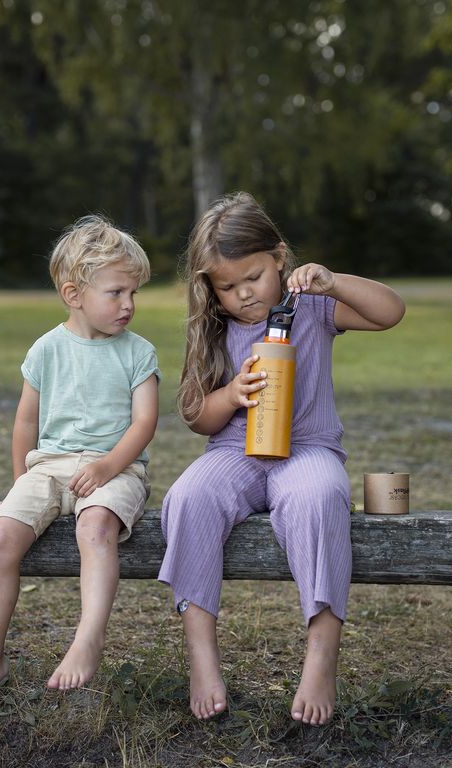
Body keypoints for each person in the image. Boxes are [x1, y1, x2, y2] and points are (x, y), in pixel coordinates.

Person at [158, 192, 405, 725]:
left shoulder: (312, 308)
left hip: (307, 449)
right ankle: (202, 656)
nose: (244, 295)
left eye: (253, 277)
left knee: (322, 497)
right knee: (187, 497)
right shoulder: (215, 327)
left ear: (280, 258)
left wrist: (332, 280)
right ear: (209, 288)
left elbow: (391, 313)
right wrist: (230, 395)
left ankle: (321, 656)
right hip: (234, 452)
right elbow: (196, 415)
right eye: (227, 286)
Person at [0, 215, 160, 724]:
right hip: (48, 468)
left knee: (95, 526)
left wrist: (109, 464)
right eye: (116, 293)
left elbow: (144, 424)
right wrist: (16, 491)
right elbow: (25, 422)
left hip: (117, 470)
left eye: (133, 293)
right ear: (74, 293)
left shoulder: (138, 352)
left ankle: (88, 638)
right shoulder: (46, 349)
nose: (129, 305)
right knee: (2, 537)